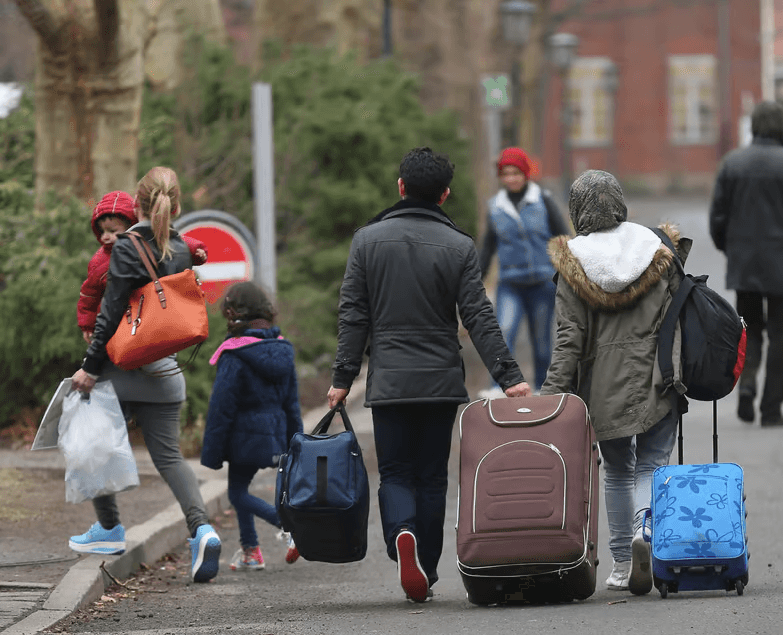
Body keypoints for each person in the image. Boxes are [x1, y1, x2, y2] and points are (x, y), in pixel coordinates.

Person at [327, 147, 531, 604]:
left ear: (400, 187)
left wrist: (342, 377)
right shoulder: (459, 246)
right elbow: (478, 315)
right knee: (433, 476)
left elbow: (353, 315)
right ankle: (429, 570)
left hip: (390, 380)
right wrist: (508, 375)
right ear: (444, 194)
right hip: (440, 380)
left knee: (395, 471)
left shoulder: (366, 241)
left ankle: (402, 535)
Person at [69, 167, 224, 583]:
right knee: (171, 459)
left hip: (122, 370)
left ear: (135, 205)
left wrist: (88, 369)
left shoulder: (125, 248)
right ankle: (202, 530)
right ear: (177, 206)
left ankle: (108, 528)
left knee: (89, 438)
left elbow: (110, 313)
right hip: (168, 373)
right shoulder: (180, 247)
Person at [540, 170, 689, 597]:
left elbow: (569, 342)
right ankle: (648, 532)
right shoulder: (658, 250)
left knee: (619, 471)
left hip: (602, 389)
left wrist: (550, 400)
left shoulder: (574, 264)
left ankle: (624, 562)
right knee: (653, 464)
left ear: (578, 211)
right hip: (660, 377)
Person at [709, 100, 783, 427]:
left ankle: (747, 384)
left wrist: (730, 249)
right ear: (782, 127)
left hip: (745, 264)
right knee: (782, 336)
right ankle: (771, 408)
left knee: (749, 330)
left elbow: (717, 218)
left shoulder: (732, 164)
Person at [200, 282, 304, 571]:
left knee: (236, 493)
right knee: (239, 487)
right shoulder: (283, 349)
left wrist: (211, 452)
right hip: (273, 433)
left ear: (233, 314)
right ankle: (250, 552)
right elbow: (291, 403)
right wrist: (296, 441)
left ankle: (288, 527)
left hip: (243, 436)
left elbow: (221, 406)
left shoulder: (234, 354)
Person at [477, 147, 571, 392]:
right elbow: (487, 247)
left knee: (541, 341)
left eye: (516, 172)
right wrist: (475, 282)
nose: (511, 178)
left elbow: (563, 237)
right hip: (510, 283)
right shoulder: (496, 206)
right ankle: (499, 387)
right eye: (506, 173)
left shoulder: (543, 200)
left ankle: (542, 386)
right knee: (504, 333)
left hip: (542, 282)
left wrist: (568, 275)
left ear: (525, 174)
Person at [78, 190, 207, 344]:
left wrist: (195, 250)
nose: (105, 236)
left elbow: (172, 242)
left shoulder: (147, 242)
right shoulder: (99, 262)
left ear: (131, 227)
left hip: (154, 315)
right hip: (120, 323)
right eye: (102, 231)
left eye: (112, 231)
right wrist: (88, 324)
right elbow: (90, 294)